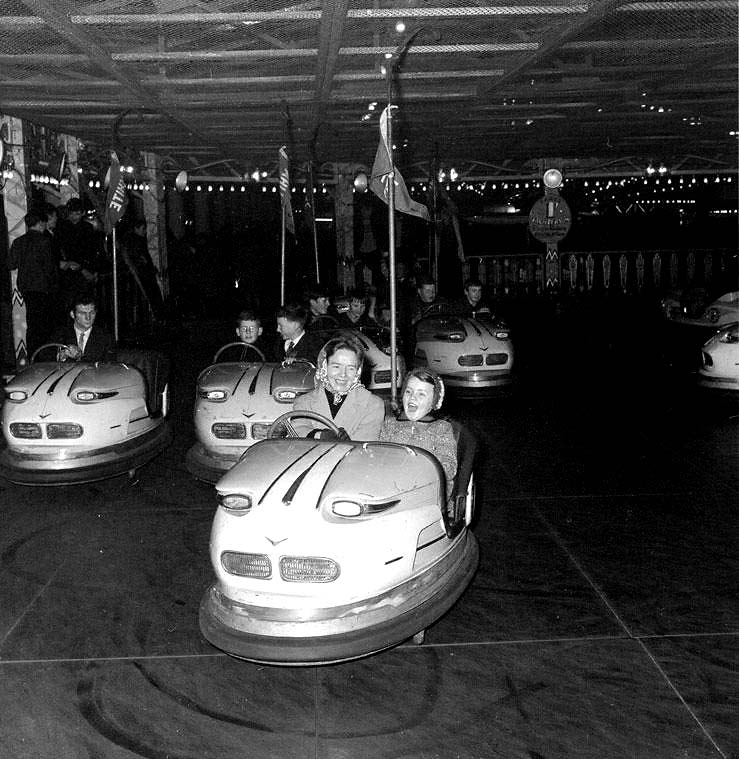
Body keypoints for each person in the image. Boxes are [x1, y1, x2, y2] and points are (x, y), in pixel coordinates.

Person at [380, 367, 457, 497]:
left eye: (421, 394)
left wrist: (424, 470)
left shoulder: (441, 428)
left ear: (434, 402)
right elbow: (380, 454)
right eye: (408, 392)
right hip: (391, 487)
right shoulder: (390, 424)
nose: (412, 398)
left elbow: (449, 465)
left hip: (427, 490)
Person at [292, 336, 385, 441]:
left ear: (358, 371)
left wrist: (348, 441)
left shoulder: (372, 404)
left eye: (350, 368)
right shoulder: (303, 402)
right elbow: (298, 431)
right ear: (325, 366)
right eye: (336, 367)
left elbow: (365, 445)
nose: (343, 375)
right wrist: (319, 435)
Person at [7, 208, 58, 354]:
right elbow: (49, 268)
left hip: (26, 287)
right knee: (44, 324)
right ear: (41, 223)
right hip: (43, 288)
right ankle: (44, 354)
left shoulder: (18, 242)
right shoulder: (44, 241)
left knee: (32, 322)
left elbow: (11, 264)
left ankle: (31, 354)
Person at [50, 293, 114, 362]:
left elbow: (110, 365)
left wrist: (79, 356)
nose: (88, 317)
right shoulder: (60, 334)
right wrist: (62, 355)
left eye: (92, 313)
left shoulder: (106, 337)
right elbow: (44, 357)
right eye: (83, 313)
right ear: (72, 314)